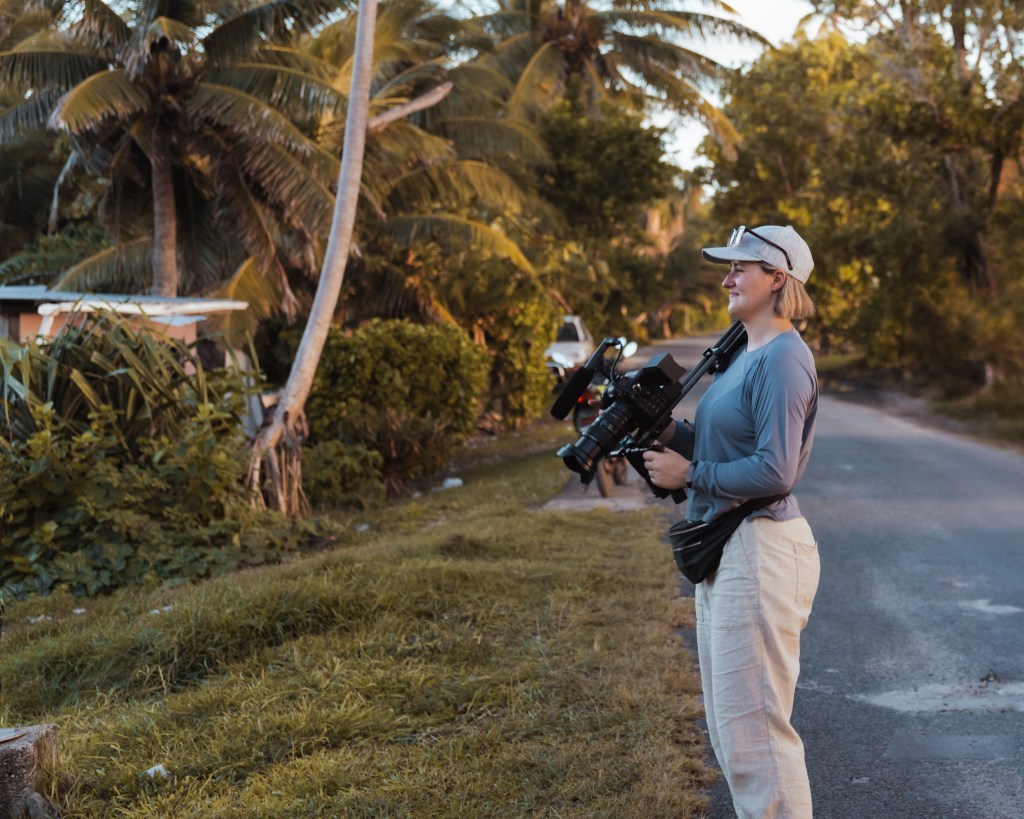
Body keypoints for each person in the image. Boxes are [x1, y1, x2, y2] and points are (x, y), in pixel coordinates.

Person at [643, 225, 820, 818]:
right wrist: (664, 431)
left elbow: (775, 470)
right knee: (733, 736)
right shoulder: (748, 355)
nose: (727, 280)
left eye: (740, 268)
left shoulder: (786, 358)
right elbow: (720, 446)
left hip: (761, 548)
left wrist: (690, 474)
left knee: (759, 739)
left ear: (777, 278)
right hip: (730, 547)